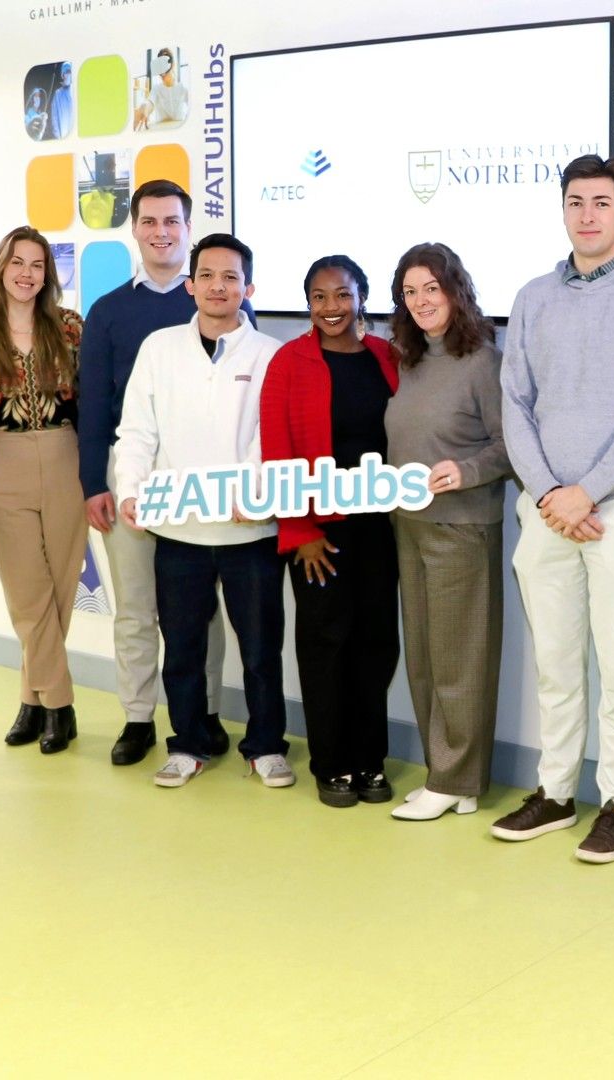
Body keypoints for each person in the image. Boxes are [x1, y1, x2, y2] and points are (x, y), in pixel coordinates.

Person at [494, 154, 614, 863]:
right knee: (556, 659)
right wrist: (550, 493)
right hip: (545, 512)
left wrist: (589, 490)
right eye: (576, 202)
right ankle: (553, 792)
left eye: (602, 203)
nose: (588, 215)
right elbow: (514, 401)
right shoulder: (533, 297)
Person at [114, 234, 290, 789]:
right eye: (208, 275)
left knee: (261, 649)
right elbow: (137, 431)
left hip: (251, 530)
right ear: (190, 285)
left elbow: (274, 437)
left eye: (231, 277)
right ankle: (187, 743)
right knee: (183, 646)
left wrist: (256, 490)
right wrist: (129, 490)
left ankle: (265, 746)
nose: (219, 286)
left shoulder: (269, 355)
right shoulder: (158, 349)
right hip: (179, 531)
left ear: (249, 288)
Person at [78, 180, 235, 768]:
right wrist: (95, 482)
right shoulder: (109, 310)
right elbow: (93, 404)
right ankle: (139, 716)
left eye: (172, 221)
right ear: (135, 229)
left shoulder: (216, 304)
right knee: (137, 606)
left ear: (187, 229)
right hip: (131, 477)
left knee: (200, 609)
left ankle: (207, 713)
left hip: (198, 479)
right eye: (150, 221)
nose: (161, 231)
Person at [260, 255, 402, 808]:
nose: (331, 307)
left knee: (376, 645)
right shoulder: (289, 362)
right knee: (325, 646)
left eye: (342, 295)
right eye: (319, 297)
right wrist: (300, 531)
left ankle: (370, 760)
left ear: (361, 296)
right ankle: (332, 764)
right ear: (308, 304)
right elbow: (277, 452)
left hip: (378, 529)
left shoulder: (386, 357)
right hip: (318, 532)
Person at [382, 242, 510, 821]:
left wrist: (466, 471)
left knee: (463, 659)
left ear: (455, 290)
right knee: (427, 657)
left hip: (462, 527)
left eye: (431, 288)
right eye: (410, 292)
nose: (421, 301)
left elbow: (510, 446)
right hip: (409, 525)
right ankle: (449, 776)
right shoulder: (410, 359)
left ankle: (457, 777)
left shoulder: (483, 359)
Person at [0, 226, 87, 755]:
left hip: (65, 457)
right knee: (28, 593)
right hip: (3, 460)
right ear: (0, 269)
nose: (27, 274)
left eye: (37, 264)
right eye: (17, 263)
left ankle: (33, 700)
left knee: (59, 589)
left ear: (48, 273)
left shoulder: (72, 329)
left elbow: (92, 400)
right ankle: (60, 703)